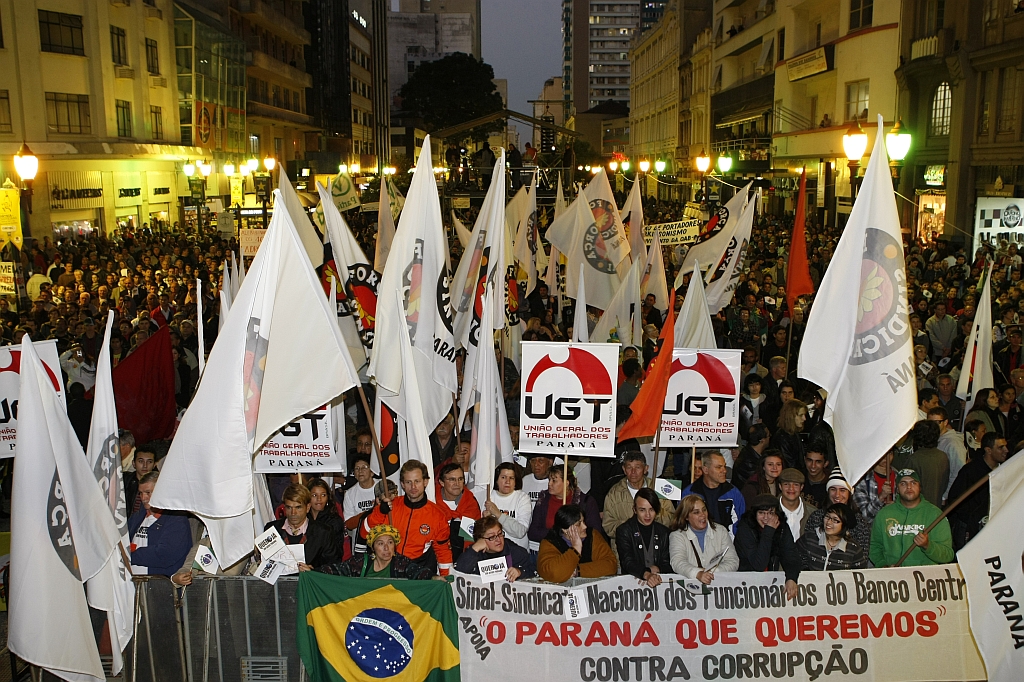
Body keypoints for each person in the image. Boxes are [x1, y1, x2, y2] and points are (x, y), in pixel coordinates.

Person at [362, 460, 453, 574]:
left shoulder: (437, 515)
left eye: (417, 481)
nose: (413, 486)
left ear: (425, 482)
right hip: (390, 568)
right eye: (408, 482)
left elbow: (443, 551)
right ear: (402, 484)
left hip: (420, 569)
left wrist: (446, 578)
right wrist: (380, 512)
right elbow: (364, 533)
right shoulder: (390, 506)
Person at [869, 469, 954, 567]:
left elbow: (948, 555)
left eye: (913, 483)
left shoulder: (935, 515)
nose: (909, 487)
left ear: (920, 487)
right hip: (893, 579)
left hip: (925, 578)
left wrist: (927, 546)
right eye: (903, 484)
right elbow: (874, 547)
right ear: (897, 489)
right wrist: (883, 565)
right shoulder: (884, 514)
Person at [602, 451, 675, 553]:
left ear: (646, 469)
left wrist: (655, 514)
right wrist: (632, 527)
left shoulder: (659, 488)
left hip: (656, 552)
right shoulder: (614, 493)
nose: (633, 472)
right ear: (623, 469)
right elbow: (608, 525)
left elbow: (672, 519)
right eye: (629, 467)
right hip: (626, 553)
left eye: (638, 467)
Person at [946, 433, 1008, 549]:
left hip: (994, 526)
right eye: (1000, 447)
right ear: (988, 450)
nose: (1006, 450)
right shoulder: (970, 471)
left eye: (1005, 446)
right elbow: (954, 498)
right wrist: (970, 519)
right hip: (969, 528)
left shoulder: (1005, 470)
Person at [734, 494, 801, 600]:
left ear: (776, 514)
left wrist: (791, 578)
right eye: (761, 513)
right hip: (744, 584)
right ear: (754, 514)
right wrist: (768, 531)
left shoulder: (782, 526)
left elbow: (790, 554)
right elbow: (759, 565)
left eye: (770, 513)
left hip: (769, 583)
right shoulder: (745, 528)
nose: (766, 518)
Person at [128, 472, 193, 576]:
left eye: (148, 492)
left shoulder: (176, 519)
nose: (144, 498)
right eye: (141, 493)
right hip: (133, 584)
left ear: (161, 491)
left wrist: (131, 554)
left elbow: (165, 555)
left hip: (158, 586)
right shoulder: (137, 517)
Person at [264, 484, 339, 571]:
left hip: (310, 583)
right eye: (289, 507)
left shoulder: (323, 532)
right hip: (278, 583)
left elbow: (333, 567)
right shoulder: (271, 529)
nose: (293, 513)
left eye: (298, 507)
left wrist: (312, 572)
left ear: (307, 507)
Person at [668, 494, 740, 582]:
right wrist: (697, 573)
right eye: (696, 512)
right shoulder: (677, 536)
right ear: (686, 516)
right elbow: (678, 562)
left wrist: (712, 573)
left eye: (704, 510)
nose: (702, 515)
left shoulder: (721, 531)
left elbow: (733, 561)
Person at [537, 504, 617, 582]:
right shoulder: (550, 542)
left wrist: (577, 571)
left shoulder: (593, 535)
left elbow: (611, 566)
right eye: (578, 524)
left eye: (583, 521)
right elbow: (553, 573)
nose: (584, 526)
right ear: (565, 530)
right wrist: (576, 548)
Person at [320, 525, 434, 579]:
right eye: (380, 543)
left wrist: (433, 577)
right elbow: (338, 570)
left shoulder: (401, 563)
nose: (386, 548)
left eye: (390, 543)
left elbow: (418, 572)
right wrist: (312, 571)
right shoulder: (359, 563)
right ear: (373, 548)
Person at [528, 467, 602, 549]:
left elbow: (595, 533)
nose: (549, 483)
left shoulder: (586, 502)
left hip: (579, 552)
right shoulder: (543, 500)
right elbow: (533, 532)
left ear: (566, 483)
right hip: (550, 551)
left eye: (554, 480)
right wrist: (560, 534)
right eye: (549, 480)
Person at [803, 471, 871, 555]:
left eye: (842, 490)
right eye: (833, 489)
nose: (837, 495)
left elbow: (862, 555)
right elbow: (805, 548)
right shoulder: (816, 517)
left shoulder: (859, 523)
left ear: (849, 493)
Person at [615, 488, 672, 587]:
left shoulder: (664, 532)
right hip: (631, 585)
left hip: (660, 584)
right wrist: (647, 574)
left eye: (651, 509)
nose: (647, 515)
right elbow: (627, 561)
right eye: (642, 510)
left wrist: (657, 569)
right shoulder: (624, 531)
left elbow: (669, 563)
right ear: (634, 510)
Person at [681, 451, 745, 535]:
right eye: (719, 467)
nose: (724, 471)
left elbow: (741, 523)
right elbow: (683, 522)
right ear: (706, 470)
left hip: (727, 544)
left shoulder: (733, 493)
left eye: (724, 466)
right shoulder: (690, 493)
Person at [456, 515, 536, 581]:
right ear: (480, 540)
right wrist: (475, 548)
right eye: (492, 537)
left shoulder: (515, 552)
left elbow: (533, 572)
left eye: (500, 534)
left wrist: (520, 572)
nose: (498, 539)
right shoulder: (474, 552)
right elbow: (459, 573)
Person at [797, 503, 868, 571]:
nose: (829, 522)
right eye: (827, 517)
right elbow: (795, 557)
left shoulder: (853, 549)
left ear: (844, 524)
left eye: (835, 520)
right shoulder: (809, 538)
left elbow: (859, 575)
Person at [895, 420, 949, 507]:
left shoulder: (914, 459)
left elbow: (904, 486)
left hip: (917, 509)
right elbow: (945, 483)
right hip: (935, 506)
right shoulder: (943, 456)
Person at [482, 463, 534, 550]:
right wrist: (486, 520)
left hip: (517, 551)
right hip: (493, 552)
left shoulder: (523, 498)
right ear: (496, 480)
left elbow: (520, 531)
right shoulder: (488, 496)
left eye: (511, 478)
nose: (507, 481)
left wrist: (498, 514)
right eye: (503, 477)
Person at [436, 462, 482, 561]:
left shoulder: (470, 504)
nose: (457, 484)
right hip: (436, 556)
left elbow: (470, 539)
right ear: (442, 482)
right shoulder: (432, 502)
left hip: (462, 559)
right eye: (452, 479)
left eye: (460, 479)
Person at [928, 406, 968, 504]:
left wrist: (945, 495)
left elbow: (958, 471)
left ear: (945, 422)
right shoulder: (932, 439)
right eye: (930, 423)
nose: (933, 426)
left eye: (937, 422)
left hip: (945, 497)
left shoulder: (953, 443)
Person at [342, 455, 377, 538]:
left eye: (364, 467)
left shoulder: (382, 487)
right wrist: (370, 513)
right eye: (357, 468)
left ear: (372, 472)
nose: (360, 471)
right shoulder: (350, 494)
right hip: (360, 538)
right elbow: (348, 524)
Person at [307, 478, 346, 549]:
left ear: (328, 497)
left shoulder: (335, 521)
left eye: (323, 495)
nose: (319, 499)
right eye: (314, 495)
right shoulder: (303, 519)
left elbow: (336, 551)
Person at [778, 468, 817, 540]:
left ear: (801, 487)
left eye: (795, 485)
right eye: (786, 484)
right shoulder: (771, 510)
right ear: (780, 486)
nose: (791, 488)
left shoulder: (813, 512)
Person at [770, 399, 807, 470]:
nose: (804, 418)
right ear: (791, 416)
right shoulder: (782, 438)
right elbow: (790, 465)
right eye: (801, 415)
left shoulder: (792, 433)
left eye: (804, 415)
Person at [732, 423, 770, 488]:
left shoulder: (748, 453)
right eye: (769, 436)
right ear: (762, 440)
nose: (770, 438)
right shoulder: (749, 462)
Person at [123, 447, 157, 515]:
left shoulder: (159, 483)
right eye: (141, 461)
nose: (145, 465)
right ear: (133, 463)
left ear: (154, 465)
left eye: (149, 462)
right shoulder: (124, 480)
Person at [739, 374, 766, 438]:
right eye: (751, 385)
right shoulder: (742, 401)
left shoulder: (767, 400)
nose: (754, 387)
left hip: (762, 433)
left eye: (757, 384)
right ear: (747, 387)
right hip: (745, 434)